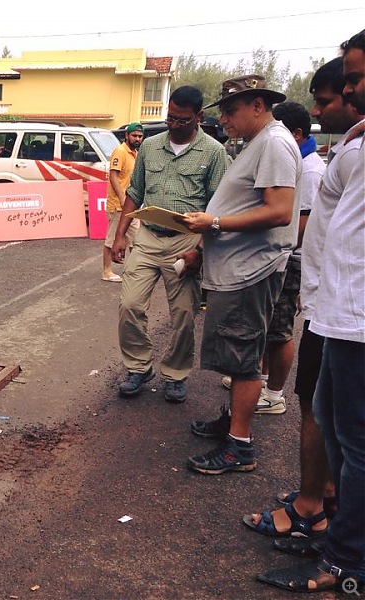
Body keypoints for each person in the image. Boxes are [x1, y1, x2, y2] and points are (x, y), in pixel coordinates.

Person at [258, 30, 365, 595]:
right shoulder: (353, 144)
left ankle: (346, 559)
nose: (345, 92)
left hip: (352, 316)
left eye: (353, 81)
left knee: (354, 441)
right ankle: (327, 518)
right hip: (332, 310)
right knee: (331, 419)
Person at [179, 74, 300, 475]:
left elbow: (280, 211)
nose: (226, 119)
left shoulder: (275, 143)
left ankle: (240, 445)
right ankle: (232, 423)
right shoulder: (257, 143)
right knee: (234, 352)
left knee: (244, 356)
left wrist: (213, 224)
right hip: (237, 268)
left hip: (252, 271)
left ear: (258, 105)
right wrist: (205, 243)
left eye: (231, 111)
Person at [111, 86, 228, 403]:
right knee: (130, 304)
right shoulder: (149, 147)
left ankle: (175, 375)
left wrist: (201, 251)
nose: (173, 125)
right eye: (170, 118)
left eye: (182, 120)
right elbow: (135, 192)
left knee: (184, 315)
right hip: (148, 237)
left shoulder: (214, 153)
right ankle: (138, 367)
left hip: (186, 240)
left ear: (198, 117)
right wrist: (121, 235)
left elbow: (219, 205)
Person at [252, 101, 326, 415]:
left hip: (292, 257)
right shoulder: (301, 160)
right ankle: (264, 378)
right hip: (285, 254)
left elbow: (304, 224)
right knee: (270, 325)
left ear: (295, 133)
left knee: (281, 329)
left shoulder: (309, 169)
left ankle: (274, 393)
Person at [102, 123, 143, 282]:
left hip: (132, 205)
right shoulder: (120, 151)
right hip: (119, 205)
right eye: (134, 135)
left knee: (136, 239)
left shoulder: (135, 153)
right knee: (112, 239)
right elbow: (113, 176)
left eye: (140, 136)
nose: (137, 139)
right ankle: (106, 271)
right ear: (127, 136)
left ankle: (133, 271)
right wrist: (121, 198)